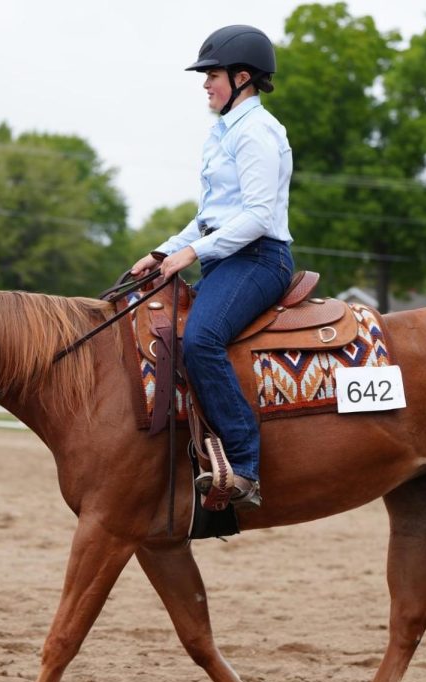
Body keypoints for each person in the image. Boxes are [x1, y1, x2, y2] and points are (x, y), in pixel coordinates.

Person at [130, 24, 294, 509]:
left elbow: (260, 216)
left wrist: (193, 253)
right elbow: (209, 219)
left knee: (201, 341)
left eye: (212, 75)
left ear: (243, 78)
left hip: (260, 259)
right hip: (226, 260)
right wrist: (164, 251)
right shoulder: (221, 133)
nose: (205, 84)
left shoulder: (259, 132)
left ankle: (244, 465)